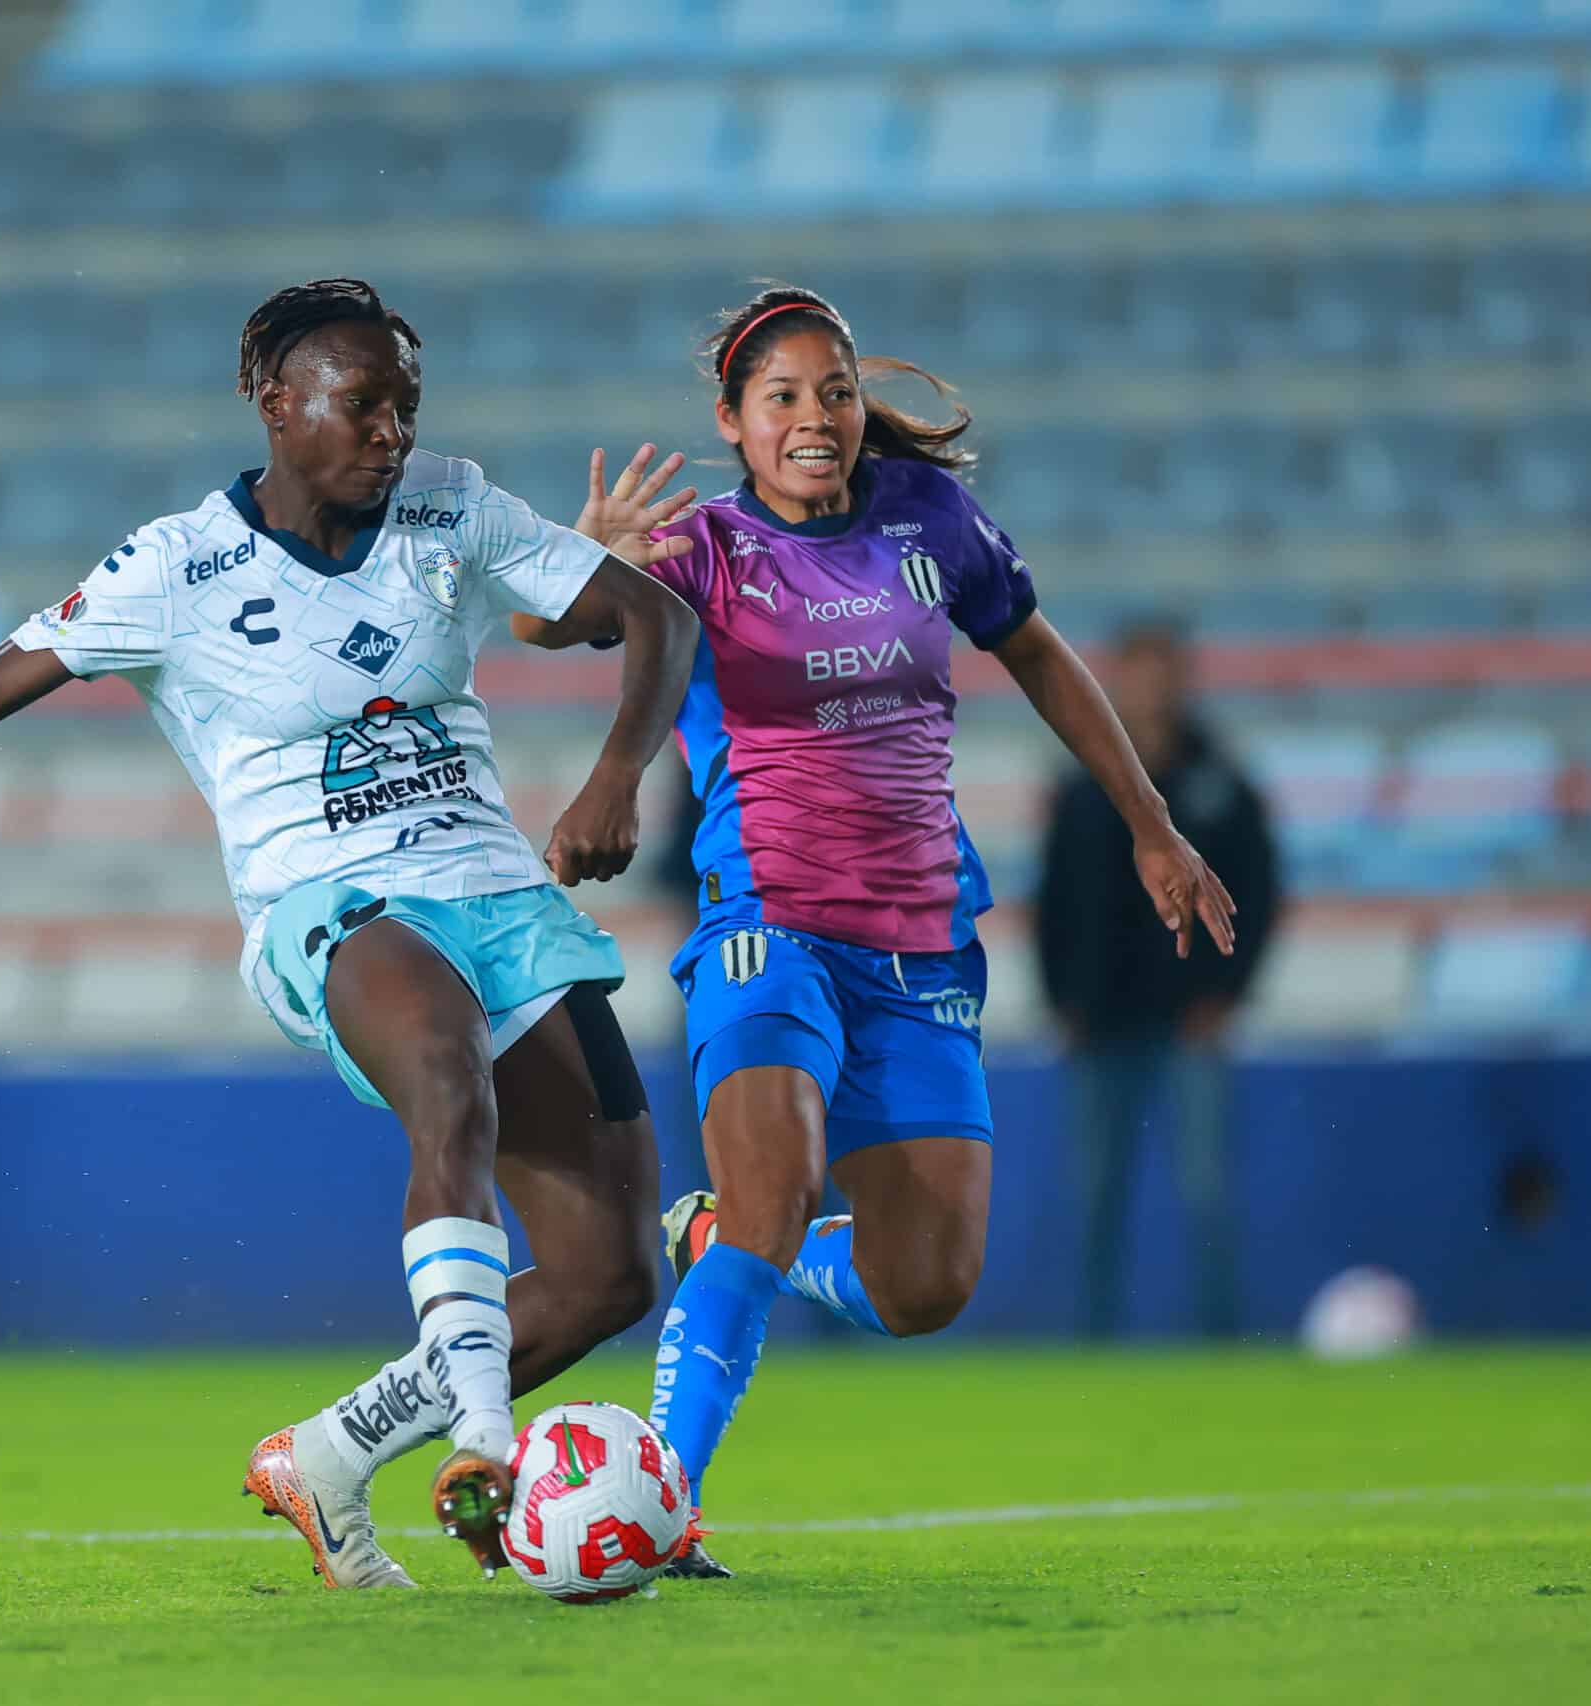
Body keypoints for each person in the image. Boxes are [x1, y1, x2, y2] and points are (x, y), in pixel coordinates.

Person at [0, 279, 703, 1588]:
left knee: (609, 1272)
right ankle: (485, 1438)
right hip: (327, 899)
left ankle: (331, 1452)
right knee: (443, 1068)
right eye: (363, 406)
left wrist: (612, 779)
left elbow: (655, 614)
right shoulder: (175, 568)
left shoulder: (451, 504)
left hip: (496, 889)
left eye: (406, 406)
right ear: (273, 401)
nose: (392, 434)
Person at [513, 284, 1238, 1578]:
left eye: (834, 392)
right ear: (733, 421)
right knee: (775, 1194)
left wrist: (1150, 824)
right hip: (766, 922)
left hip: (918, 943)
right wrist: (590, 544)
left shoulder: (931, 521)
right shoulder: (702, 550)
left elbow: (1042, 655)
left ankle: (715, 1238)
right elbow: (546, 619)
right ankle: (665, 1500)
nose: (815, 417)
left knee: (926, 1287)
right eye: (782, 396)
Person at [1036, 615, 1280, 1341]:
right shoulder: (1082, 784)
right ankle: (1095, 1342)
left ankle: (1219, 1339)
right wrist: (1063, 999)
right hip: (1101, 1020)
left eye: (1162, 670)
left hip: (1188, 1016)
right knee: (1094, 1194)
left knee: (1205, 1190)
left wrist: (1227, 993)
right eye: (1138, 671)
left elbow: (1260, 894)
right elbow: (1053, 902)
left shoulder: (1221, 783)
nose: (1150, 687)